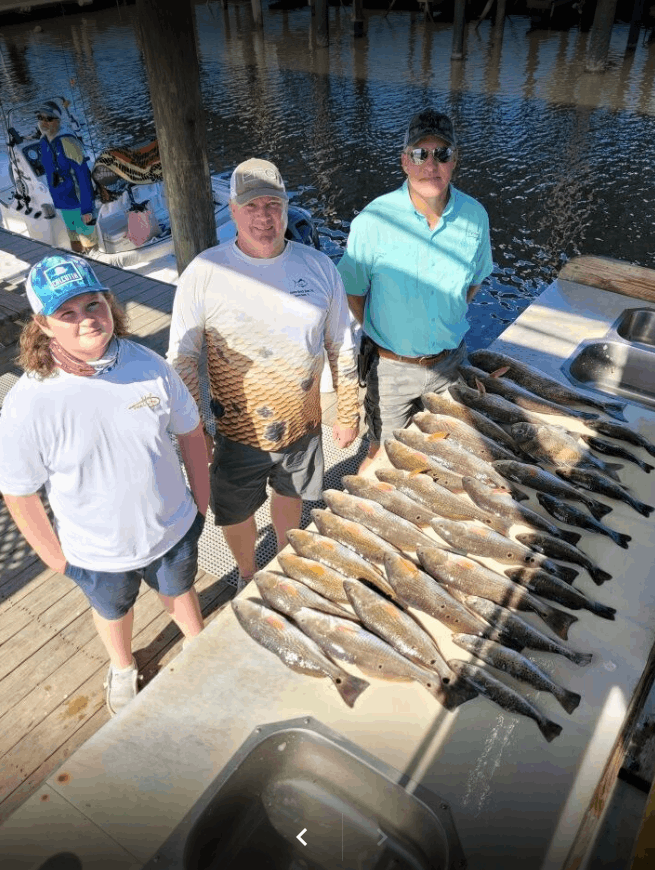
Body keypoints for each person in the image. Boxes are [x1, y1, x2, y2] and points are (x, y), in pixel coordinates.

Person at [0, 255, 210, 716]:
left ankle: (199, 644)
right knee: (113, 610)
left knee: (180, 590)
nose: (86, 319)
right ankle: (122, 665)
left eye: (93, 304)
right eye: (67, 313)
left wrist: (200, 504)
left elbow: (191, 432)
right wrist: (56, 558)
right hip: (95, 553)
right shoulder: (27, 403)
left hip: (173, 528)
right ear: (43, 325)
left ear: (109, 304)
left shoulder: (150, 364)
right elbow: (18, 492)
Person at [167, 157, 360, 590]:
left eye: (273, 205)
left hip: (304, 425)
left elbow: (341, 344)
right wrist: (195, 431)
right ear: (233, 210)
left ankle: (284, 561)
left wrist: (348, 412)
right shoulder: (204, 272)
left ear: (287, 208)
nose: (264, 217)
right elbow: (183, 358)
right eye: (252, 206)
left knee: (292, 496)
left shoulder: (319, 267)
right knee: (234, 511)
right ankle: (247, 572)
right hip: (236, 430)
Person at [337, 107, 493, 472]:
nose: (431, 165)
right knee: (382, 458)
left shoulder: (476, 216)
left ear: (455, 160)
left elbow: (474, 281)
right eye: (420, 154)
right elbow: (352, 291)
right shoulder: (373, 220)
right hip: (390, 369)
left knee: (447, 452)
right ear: (404, 161)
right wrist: (384, 338)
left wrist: (443, 317)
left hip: (451, 363)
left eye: (442, 154)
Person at [36, 100, 97, 254]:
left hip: (78, 202)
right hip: (62, 201)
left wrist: (87, 209)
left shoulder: (68, 142)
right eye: (40, 118)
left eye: (49, 118)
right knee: (74, 239)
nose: (43, 122)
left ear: (58, 121)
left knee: (89, 243)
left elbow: (83, 176)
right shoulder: (43, 141)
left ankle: (96, 261)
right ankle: (78, 257)